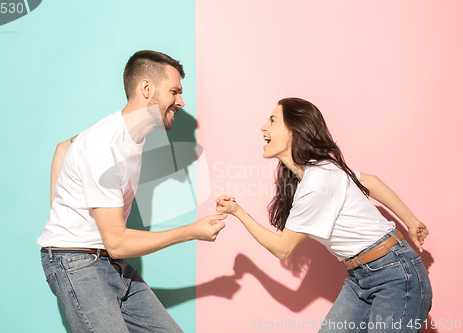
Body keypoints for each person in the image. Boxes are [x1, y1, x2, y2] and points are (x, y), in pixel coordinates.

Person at [38, 50, 226, 333]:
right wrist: (191, 231)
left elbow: (64, 147)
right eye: (174, 91)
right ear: (147, 89)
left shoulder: (124, 133)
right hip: (78, 261)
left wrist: (61, 209)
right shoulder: (105, 147)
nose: (181, 101)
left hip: (109, 261)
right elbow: (116, 241)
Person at [216, 97, 432, 332]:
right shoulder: (320, 168)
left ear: (294, 130)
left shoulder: (316, 181)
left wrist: (238, 212)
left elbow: (283, 248)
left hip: (395, 276)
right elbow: (371, 181)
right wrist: (411, 222)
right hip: (361, 277)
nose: (263, 127)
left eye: (272, 120)